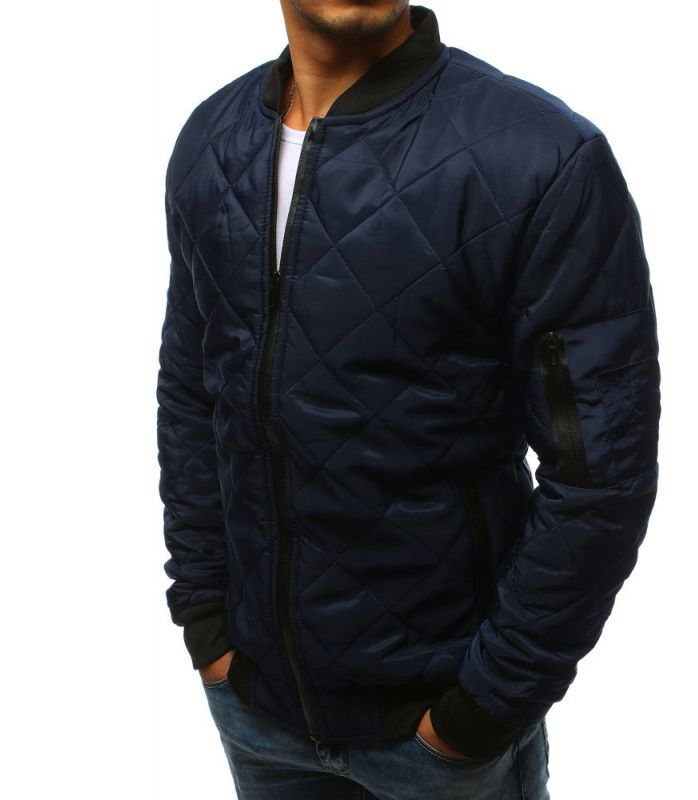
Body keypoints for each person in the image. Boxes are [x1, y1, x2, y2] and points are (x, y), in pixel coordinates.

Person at [156, 2, 661, 797]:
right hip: (256, 712)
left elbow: (600, 473)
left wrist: (483, 709)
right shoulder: (211, 142)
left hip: (441, 736)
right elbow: (192, 391)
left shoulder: (539, 158)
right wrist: (206, 622)